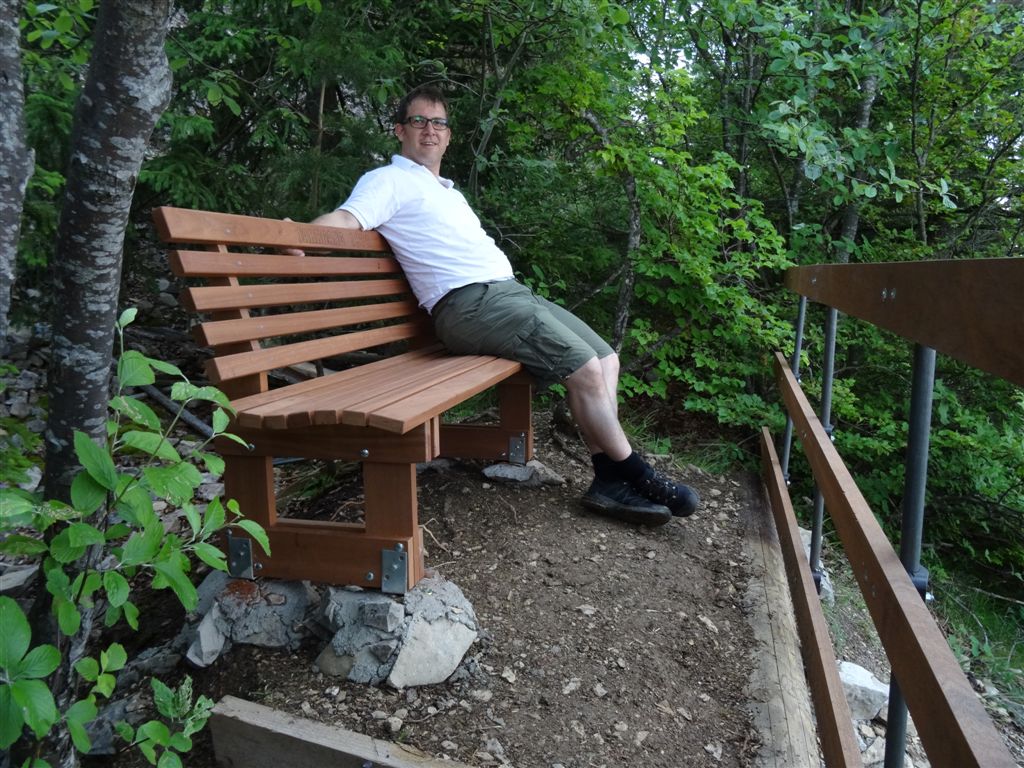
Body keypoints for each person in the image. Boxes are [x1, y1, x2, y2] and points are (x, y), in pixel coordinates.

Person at [308, 84, 699, 527]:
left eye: (438, 123)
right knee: (585, 369)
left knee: (606, 359)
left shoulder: (447, 192)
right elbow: (347, 218)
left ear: (448, 136)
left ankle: (608, 479)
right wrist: (302, 237)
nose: (429, 130)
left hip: (506, 293)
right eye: (418, 121)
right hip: (469, 305)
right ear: (400, 130)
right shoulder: (388, 180)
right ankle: (638, 474)